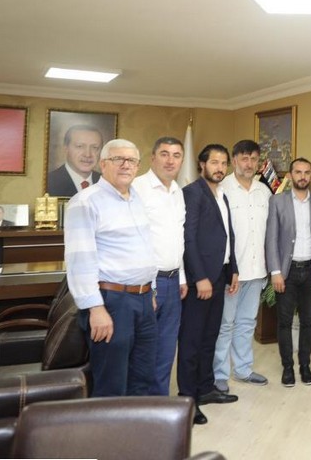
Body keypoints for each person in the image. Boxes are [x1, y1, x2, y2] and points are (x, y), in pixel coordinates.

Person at [64, 138, 157, 396]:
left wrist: (151, 291)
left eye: (132, 160)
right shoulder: (86, 202)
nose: (126, 165)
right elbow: (80, 260)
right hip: (112, 302)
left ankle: (136, 423)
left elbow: (144, 248)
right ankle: (106, 425)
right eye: (119, 159)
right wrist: (95, 308)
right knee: (111, 382)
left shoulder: (136, 199)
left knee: (143, 377)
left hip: (143, 299)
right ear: (103, 164)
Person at [180, 144, 240, 425]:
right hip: (201, 280)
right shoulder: (193, 193)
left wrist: (233, 269)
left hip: (220, 275)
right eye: (214, 162)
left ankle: (205, 389)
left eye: (223, 163)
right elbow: (188, 238)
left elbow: (228, 235)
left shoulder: (221, 194)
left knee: (209, 338)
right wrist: (199, 277)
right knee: (191, 341)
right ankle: (188, 399)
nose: (220, 168)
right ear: (201, 164)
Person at [266, 157, 311, 388]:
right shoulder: (277, 201)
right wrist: (275, 271)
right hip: (287, 272)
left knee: (308, 321)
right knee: (284, 322)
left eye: (306, 172)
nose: (302, 176)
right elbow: (271, 238)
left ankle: (304, 366)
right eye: (298, 172)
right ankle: (287, 368)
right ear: (291, 175)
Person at [213, 140, 272, 392]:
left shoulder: (264, 191)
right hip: (231, 273)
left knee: (247, 322)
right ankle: (219, 374)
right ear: (234, 160)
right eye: (244, 158)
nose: (249, 164)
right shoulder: (221, 189)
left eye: (254, 159)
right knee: (225, 324)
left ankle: (243, 370)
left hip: (257, 270)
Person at [131, 136, 187, 396]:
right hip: (148, 284)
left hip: (173, 282)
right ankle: (138, 408)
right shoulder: (137, 188)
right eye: (164, 154)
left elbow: (178, 238)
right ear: (152, 157)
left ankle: (159, 404)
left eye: (176, 155)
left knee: (166, 350)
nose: (170, 160)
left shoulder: (178, 192)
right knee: (143, 351)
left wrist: (182, 276)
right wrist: (150, 286)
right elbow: (136, 240)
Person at [47, 124, 103, 197]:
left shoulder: (107, 183)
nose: (87, 154)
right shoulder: (48, 182)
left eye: (95, 147)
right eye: (79, 146)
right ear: (66, 149)